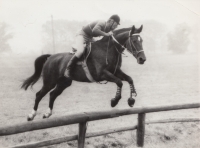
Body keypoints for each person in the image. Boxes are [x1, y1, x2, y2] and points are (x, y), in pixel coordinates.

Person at [64, 14, 120, 78]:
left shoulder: (109, 29)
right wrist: (106, 34)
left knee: (97, 49)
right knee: (81, 50)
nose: (116, 26)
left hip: (90, 38)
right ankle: (68, 68)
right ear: (111, 21)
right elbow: (95, 30)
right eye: (116, 24)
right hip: (82, 35)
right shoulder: (102, 22)